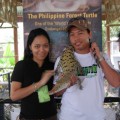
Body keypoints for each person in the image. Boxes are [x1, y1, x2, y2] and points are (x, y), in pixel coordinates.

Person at [53, 16, 120, 120]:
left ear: (89, 34)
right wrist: (66, 84)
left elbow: (116, 82)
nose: (76, 38)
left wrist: (99, 57)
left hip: (96, 117)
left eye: (80, 33)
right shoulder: (63, 59)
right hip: (69, 117)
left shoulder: (102, 57)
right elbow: (56, 92)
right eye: (72, 34)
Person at [10, 28, 57, 120]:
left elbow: (56, 92)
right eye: (37, 46)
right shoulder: (22, 66)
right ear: (30, 47)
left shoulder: (53, 66)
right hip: (28, 117)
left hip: (51, 116)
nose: (42, 50)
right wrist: (40, 83)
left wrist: (67, 82)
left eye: (45, 46)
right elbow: (14, 96)